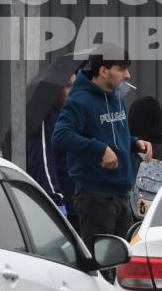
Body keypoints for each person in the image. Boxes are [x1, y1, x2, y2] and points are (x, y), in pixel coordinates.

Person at [52, 46, 152, 246]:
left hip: (123, 194)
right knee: (101, 265)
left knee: (121, 264)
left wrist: (135, 143)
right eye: (121, 69)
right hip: (96, 196)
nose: (127, 75)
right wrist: (100, 149)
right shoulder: (80, 100)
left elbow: (115, 136)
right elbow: (60, 136)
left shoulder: (115, 97)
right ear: (103, 71)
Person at [27, 84, 76, 218]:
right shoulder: (44, 119)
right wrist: (56, 201)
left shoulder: (66, 115)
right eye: (67, 86)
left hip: (78, 203)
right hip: (63, 207)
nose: (72, 91)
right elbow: (44, 162)